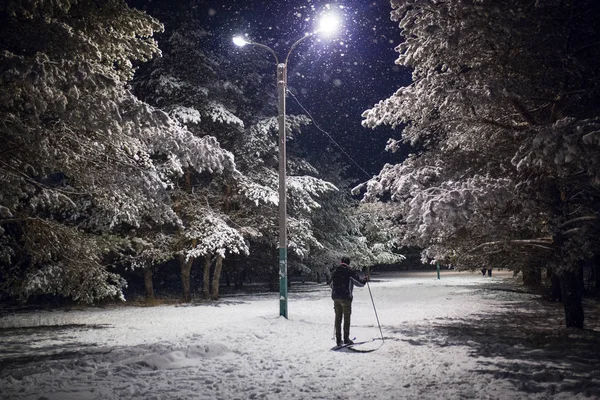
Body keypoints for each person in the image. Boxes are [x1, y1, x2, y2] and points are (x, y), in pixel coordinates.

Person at [330, 256, 367, 346]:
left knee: (338, 318)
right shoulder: (350, 272)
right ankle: (346, 338)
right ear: (348, 263)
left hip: (336, 298)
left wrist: (337, 289)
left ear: (341, 262)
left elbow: (330, 284)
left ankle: (338, 339)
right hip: (346, 297)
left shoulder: (335, 272)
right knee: (347, 318)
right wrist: (365, 280)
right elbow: (359, 283)